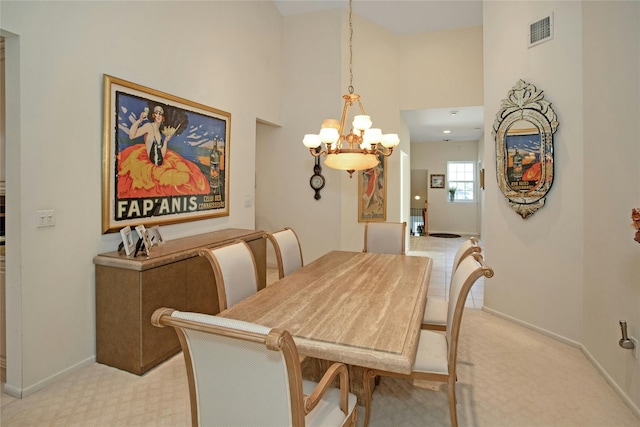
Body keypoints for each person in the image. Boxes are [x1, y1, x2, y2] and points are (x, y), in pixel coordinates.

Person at [117, 105, 208, 198]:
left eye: (160, 113)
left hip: (160, 164)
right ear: (153, 115)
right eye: (156, 113)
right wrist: (139, 120)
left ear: (163, 117)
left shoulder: (159, 132)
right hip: (148, 166)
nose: (158, 115)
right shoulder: (148, 126)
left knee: (187, 175)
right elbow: (132, 135)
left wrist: (165, 141)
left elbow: (162, 153)